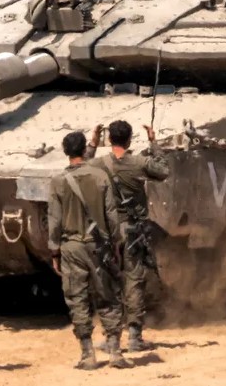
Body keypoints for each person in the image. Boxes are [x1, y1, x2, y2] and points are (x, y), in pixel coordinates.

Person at [48, 131, 133, 370]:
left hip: (72, 247)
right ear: (85, 149)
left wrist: (54, 250)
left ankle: (88, 355)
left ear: (66, 151)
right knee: (108, 295)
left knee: (77, 298)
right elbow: (112, 215)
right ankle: (115, 352)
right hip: (99, 246)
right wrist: (115, 242)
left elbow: (54, 220)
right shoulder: (100, 176)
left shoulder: (58, 182)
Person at [86, 120, 170, 352]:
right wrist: (153, 142)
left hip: (108, 232)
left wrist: (93, 144)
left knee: (109, 282)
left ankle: (112, 337)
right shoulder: (138, 163)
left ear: (109, 139)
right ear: (130, 139)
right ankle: (134, 337)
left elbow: (78, 168)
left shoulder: (99, 164)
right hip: (133, 231)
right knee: (134, 281)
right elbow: (163, 170)